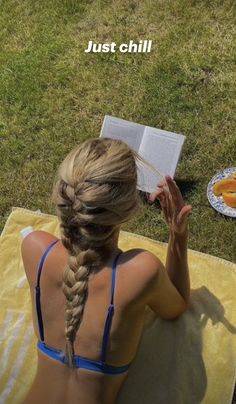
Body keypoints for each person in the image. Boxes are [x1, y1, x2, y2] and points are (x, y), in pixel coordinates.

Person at [21, 137, 192, 404]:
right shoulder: (139, 272)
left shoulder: (34, 249)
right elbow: (177, 307)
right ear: (128, 209)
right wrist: (177, 234)